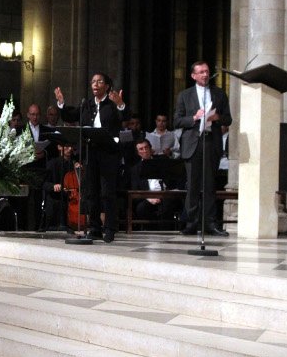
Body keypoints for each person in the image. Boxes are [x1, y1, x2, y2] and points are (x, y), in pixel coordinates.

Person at [54, 72, 129, 242]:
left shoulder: (112, 104)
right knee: (91, 191)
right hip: (90, 151)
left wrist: (121, 105)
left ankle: (109, 228)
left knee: (107, 192)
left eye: (99, 81)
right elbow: (69, 116)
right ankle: (94, 227)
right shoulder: (86, 105)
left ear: (107, 86)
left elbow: (124, 118)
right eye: (93, 82)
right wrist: (61, 103)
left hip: (108, 153)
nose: (95, 84)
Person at [174, 61, 232, 237]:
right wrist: (194, 117)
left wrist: (216, 117)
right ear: (193, 75)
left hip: (211, 141)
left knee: (209, 185)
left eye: (206, 71)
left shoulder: (219, 94)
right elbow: (177, 120)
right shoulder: (185, 95)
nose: (205, 75)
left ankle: (210, 223)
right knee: (192, 185)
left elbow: (228, 119)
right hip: (193, 143)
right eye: (201, 72)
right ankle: (191, 222)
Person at [130, 139, 182, 225]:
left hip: (166, 194)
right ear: (138, 153)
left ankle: (166, 229)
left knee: (168, 205)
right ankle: (151, 229)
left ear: (151, 149)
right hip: (148, 197)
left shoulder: (163, 161)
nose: (145, 151)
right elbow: (135, 189)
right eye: (141, 149)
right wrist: (149, 198)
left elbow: (174, 180)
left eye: (146, 147)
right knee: (141, 208)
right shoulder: (135, 169)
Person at [42, 141, 81, 230]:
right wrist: (53, 186)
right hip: (56, 199)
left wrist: (80, 171)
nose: (70, 149)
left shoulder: (75, 164)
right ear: (59, 147)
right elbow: (44, 183)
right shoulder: (52, 163)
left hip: (71, 199)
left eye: (71, 146)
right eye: (67, 146)